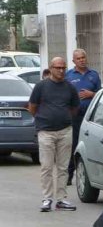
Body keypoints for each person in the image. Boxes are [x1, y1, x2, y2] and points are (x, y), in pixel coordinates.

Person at [29, 57, 80, 212]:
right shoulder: (41, 86)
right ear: (51, 68)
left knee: (63, 167)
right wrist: (45, 118)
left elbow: (74, 108)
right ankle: (47, 199)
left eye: (63, 67)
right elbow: (32, 107)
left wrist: (62, 117)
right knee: (46, 167)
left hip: (65, 131)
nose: (61, 70)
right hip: (46, 131)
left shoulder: (70, 87)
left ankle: (61, 199)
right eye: (58, 67)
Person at [65, 49, 102, 185]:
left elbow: (101, 93)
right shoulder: (68, 75)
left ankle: (91, 176)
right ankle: (68, 175)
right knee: (74, 145)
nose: (82, 60)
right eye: (78, 58)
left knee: (90, 145)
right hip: (74, 117)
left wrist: (91, 94)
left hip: (92, 117)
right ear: (74, 60)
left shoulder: (94, 75)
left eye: (83, 58)